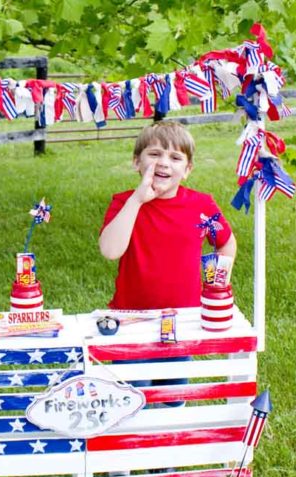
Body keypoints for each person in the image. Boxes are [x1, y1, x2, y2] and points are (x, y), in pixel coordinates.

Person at [99, 121, 236, 402]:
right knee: (130, 398)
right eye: (154, 154)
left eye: (175, 158)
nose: (163, 162)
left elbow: (225, 242)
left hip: (182, 321)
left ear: (187, 170)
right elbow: (110, 250)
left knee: (172, 397)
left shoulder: (200, 206)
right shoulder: (125, 202)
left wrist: (217, 284)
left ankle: (168, 441)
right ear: (137, 162)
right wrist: (137, 200)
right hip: (131, 321)